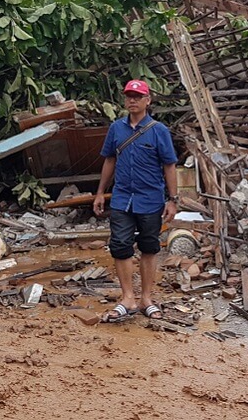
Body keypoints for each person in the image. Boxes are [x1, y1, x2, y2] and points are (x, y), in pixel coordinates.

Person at [93, 79, 179, 322]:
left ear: (148, 101)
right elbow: (109, 160)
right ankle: (127, 297)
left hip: (150, 199)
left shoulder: (158, 130)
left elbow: (169, 165)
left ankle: (147, 299)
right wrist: (100, 192)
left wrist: (172, 200)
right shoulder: (116, 129)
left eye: (138, 97)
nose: (132, 100)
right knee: (120, 245)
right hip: (122, 199)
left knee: (149, 247)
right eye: (129, 96)